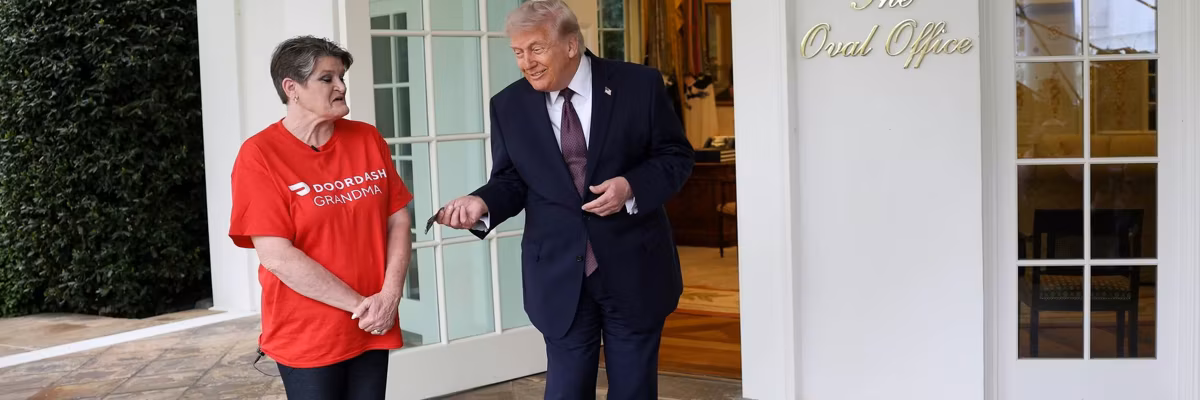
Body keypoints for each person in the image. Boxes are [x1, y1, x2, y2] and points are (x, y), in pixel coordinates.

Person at [435, 1, 694, 398]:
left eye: (536, 49)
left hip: (635, 265)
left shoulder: (639, 85)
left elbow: (675, 157)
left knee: (634, 390)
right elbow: (510, 179)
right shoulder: (509, 105)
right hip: (557, 272)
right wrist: (481, 203)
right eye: (518, 52)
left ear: (571, 45)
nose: (526, 63)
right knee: (566, 390)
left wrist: (630, 187)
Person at [228, 36, 413, 400]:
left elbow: (398, 219)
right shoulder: (260, 155)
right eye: (327, 78)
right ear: (291, 88)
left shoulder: (366, 138)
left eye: (342, 76)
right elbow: (277, 256)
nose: (341, 86)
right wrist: (362, 306)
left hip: (372, 322)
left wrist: (389, 297)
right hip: (309, 332)